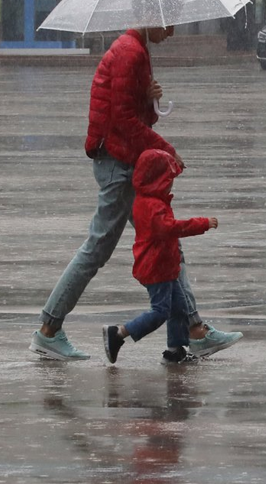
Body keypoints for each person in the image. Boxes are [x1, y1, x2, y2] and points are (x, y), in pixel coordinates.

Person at [30, 25, 208, 361]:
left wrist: (150, 101)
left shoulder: (136, 50)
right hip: (119, 165)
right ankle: (48, 329)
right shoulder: (130, 52)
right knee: (99, 247)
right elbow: (124, 121)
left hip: (124, 161)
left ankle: (195, 331)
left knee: (167, 241)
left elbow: (135, 117)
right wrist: (166, 149)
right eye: (169, 24)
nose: (171, 32)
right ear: (152, 17)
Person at [102, 149, 243, 365]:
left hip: (165, 265)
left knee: (180, 308)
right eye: (168, 179)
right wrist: (202, 223)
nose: (170, 185)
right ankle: (119, 333)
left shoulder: (153, 200)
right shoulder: (152, 204)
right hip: (155, 268)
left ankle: (175, 350)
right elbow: (168, 228)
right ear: (156, 180)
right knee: (160, 311)